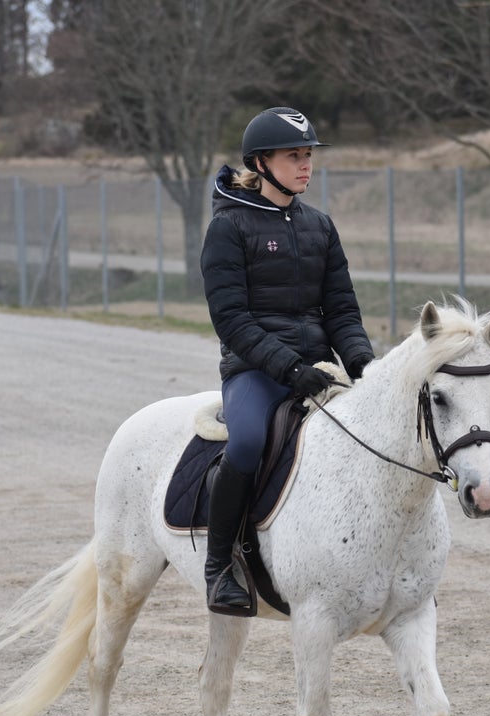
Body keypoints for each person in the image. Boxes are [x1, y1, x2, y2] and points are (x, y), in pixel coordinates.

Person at [200, 107, 375, 614]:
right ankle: (220, 567)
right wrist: (289, 368)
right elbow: (231, 319)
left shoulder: (319, 226)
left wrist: (364, 366)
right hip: (255, 371)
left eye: (308, 156)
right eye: (293, 156)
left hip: (318, 368)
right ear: (260, 162)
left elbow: (341, 310)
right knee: (247, 442)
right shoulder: (228, 227)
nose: (305, 165)